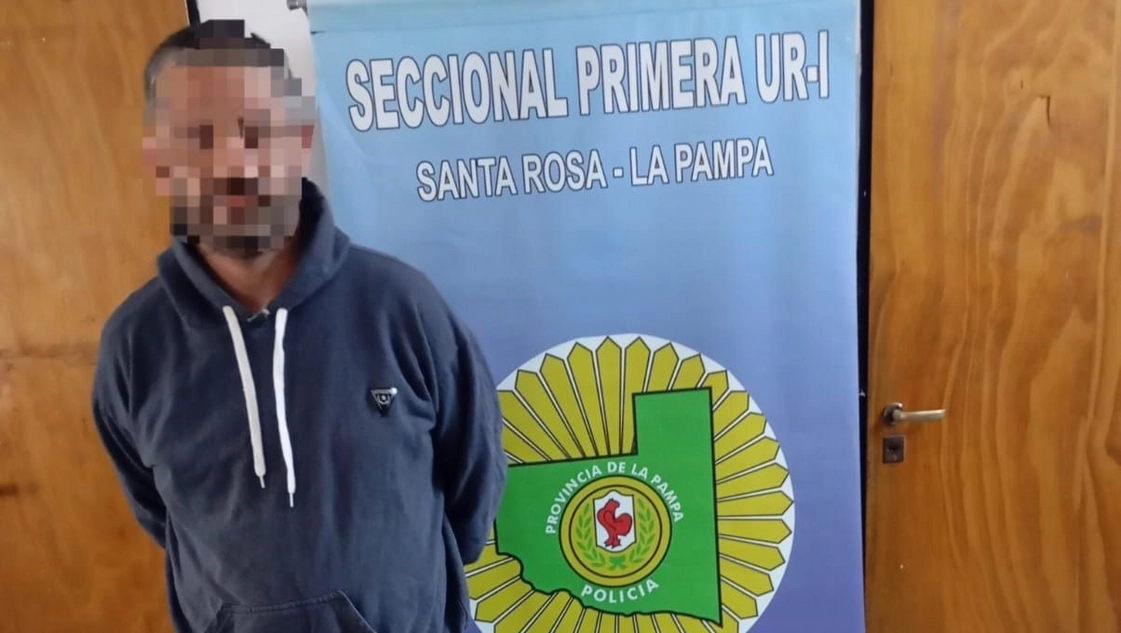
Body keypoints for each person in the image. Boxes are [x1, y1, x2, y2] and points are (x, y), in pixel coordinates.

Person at [91, 19, 506, 633]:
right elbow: (162, 515)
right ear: (159, 161)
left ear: (301, 141)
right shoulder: (134, 347)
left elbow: (472, 490)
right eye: (198, 136)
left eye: (257, 131)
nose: (233, 161)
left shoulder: (402, 308)